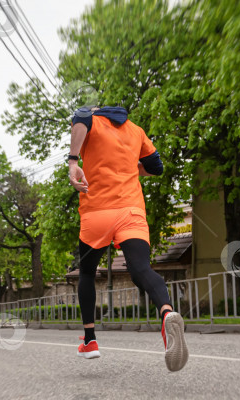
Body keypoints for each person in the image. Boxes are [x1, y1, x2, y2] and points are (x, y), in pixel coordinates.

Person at [68, 105, 189, 372]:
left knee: (87, 273)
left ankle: (90, 341)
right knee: (141, 269)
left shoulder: (92, 120)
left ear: (100, 112)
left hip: (97, 212)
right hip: (131, 212)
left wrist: (73, 161)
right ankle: (167, 312)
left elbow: (80, 117)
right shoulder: (136, 131)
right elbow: (155, 167)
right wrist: (131, 169)